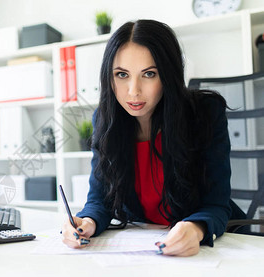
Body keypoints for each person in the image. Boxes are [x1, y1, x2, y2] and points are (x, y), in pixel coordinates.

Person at [61, 19, 246, 257]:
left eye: (149, 74)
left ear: (168, 74)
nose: (133, 90)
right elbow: (100, 200)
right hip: (146, 245)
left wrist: (196, 228)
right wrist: (87, 222)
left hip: (220, 246)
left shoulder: (205, 113)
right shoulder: (106, 120)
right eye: (122, 74)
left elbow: (216, 203)